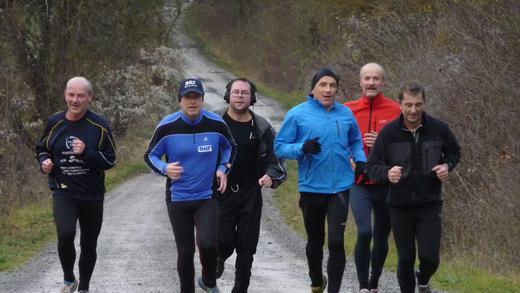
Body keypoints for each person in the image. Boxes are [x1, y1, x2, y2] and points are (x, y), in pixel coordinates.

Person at [274, 68, 366, 293]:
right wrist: (301, 148)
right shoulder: (297, 114)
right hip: (312, 187)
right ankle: (316, 280)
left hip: (341, 188)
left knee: (336, 241)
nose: (328, 90)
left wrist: (361, 159)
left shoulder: (345, 114)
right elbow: (279, 146)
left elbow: (355, 140)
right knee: (315, 241)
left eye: (332, 85)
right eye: (323, 85)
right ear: (313, 88)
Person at [366, 82, 460, 293]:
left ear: (424, 103)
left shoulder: (439, 129)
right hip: (399, 205)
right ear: (400, 104)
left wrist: (447, 166)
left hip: (430, 203)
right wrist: (387, 173)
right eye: (408, 104)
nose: (413, 110)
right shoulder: (389, 133)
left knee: (430, 257)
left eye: (418, 104)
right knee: (406, 257)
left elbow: (455, 152)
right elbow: (372, 167)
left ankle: (423, 279)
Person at [144, 78, 236, 293]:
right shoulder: (167, 126)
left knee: (207, 244)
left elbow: (230, 147)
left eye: (196, 97)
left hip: (207, 196)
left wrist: (223, 168)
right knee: (185, 252)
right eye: (187, 97)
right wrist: (165, 168)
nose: (192, 102)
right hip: (178, 198)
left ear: (203, 100)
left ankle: (208, 281)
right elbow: (150, 155)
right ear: (180, 101)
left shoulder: (216, 124)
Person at [35, 76, 116, 293]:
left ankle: (84, 288)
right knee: (65, 234)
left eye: (80, 95)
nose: (75, 100)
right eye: (71, 94)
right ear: (65, 95)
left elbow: (110, 160)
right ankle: (69, 279)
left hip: (92, 194)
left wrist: (87, 152)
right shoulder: (55, 122)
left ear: (89, 97)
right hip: (64, 192)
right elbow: (42, 148)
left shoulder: (99, 125)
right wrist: (44, 162)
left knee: (89, 244)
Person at [215, 77, 287, 293]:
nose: (239, 96)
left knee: (247, 247)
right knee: (224, 240)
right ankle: (217, 261)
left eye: (244, 93)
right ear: (228, 95)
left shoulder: (262, 127)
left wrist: (271, 176)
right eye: (236, 92)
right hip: (220, 191)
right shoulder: (214, 122)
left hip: (250, 192)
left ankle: (240, 288)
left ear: (252, 97)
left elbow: (276, 160)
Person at [344, 63, 401, 293]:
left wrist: (381, 143)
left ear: (383, 82)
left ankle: (374, 282)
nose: (371, 83)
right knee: (365, 231)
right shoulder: (347, 110)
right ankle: (362, 286)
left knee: (381, 235)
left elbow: (405, 148)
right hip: (358, 183)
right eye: (367, 78)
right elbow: (338, 140)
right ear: (360, 82)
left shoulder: (396, 110)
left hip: (385, 183)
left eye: (376, 79)